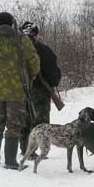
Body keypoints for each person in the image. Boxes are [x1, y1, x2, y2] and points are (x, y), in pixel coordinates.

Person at [0, 12, 40, 169]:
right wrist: (30, 78)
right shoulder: (21, 40)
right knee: (14, 126)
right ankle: (11, 162)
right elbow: (34, 63)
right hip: (17, 91)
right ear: (11, 24)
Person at [19, 21, 62, 160]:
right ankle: (32, 151)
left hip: (19, 89)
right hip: (39, 90)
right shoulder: (43, 50)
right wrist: (53, 83)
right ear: (36, 35)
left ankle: (24, 149)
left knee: (24, 120)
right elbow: (53, 71)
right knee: (40, 122)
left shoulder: (16, 49)